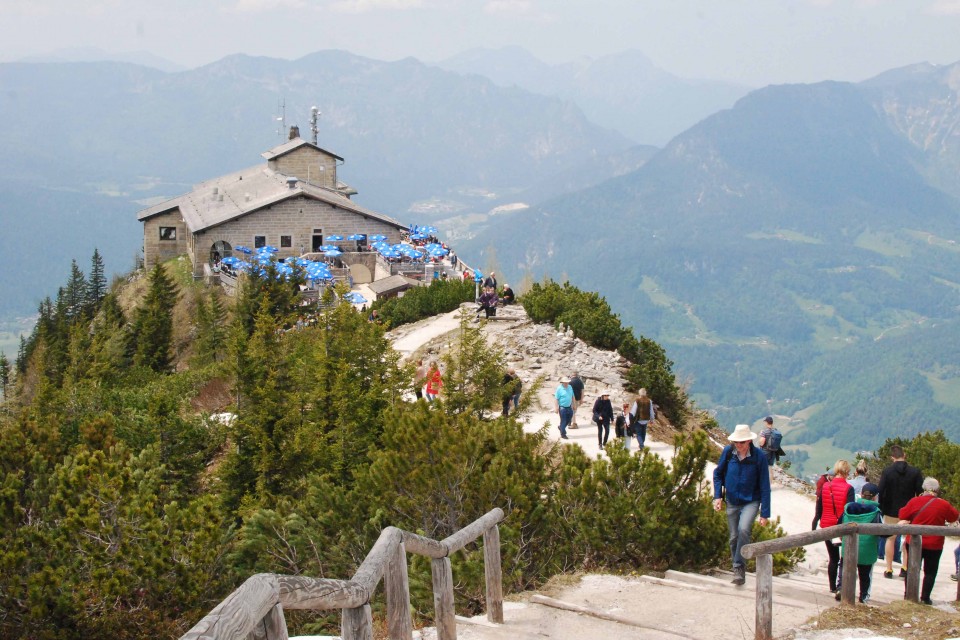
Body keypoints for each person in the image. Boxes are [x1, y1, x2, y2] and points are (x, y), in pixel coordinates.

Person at [713, 424, 771, 586]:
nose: (739, 446)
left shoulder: (758, 457)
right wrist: (717, 496)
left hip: (751, 500)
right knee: (733, 537)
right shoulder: (728, 452)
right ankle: (737, 567)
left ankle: (739, 567)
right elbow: (717, 474)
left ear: (749, 441)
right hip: (732, 500)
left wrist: (765, 513)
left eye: (742, 442)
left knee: (744, 529)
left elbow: (765, 486)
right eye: (736, 442)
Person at [898, 477, 960, 605]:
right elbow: (954, 516)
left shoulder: (915, 501)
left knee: (912, 568)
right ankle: (925, 597)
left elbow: (902, 515)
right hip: (935, 543)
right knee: (930, 571)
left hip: (915, 542)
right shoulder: (943, 504)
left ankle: (909, 595)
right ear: (937, 489)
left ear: (923, 488)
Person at [878, 445, 924, 579]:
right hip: (909, 511)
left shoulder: (887, 472)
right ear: (904, 455)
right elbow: (920, 493)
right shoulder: (915, 472)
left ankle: (889, 569)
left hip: (890, 509)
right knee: (906, 540)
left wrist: (881, 508)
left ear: (892, 457)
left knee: (890, 539)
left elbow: (881, 490)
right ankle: (904, 567)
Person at [838, 482, 882, 603]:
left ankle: (841, 587)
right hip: (867, 549)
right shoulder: (876, 511)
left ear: (861, 494)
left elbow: (839, 523)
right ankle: (863, 596)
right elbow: (882, 531)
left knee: (844, 568)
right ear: (875, 497)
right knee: (865, 575)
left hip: (848, 547)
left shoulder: (848, 507)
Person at [816, 459, 855, 594]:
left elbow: (819, 506)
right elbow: (850, 510)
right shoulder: (849, 488)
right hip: (841, 527)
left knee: (833, 558)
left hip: (826, 525)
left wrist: (816, 521)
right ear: (847, 472)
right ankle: (841, 586)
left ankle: (832, 586)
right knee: (844, 557)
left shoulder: (826, 486)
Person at [757, 416, 777, 483]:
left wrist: (761, 436)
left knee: (762, 468)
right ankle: (770, 485)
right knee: (770, 468)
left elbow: (761, 443)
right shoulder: (776, 431)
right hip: (773, 452)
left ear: (766, 422)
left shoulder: (764, 432)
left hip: (765, 452)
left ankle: (763, 484)